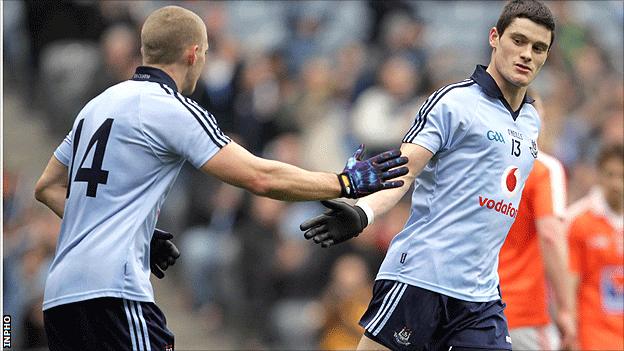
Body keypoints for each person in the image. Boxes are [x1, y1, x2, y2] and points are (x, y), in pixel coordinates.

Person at [33, 6, 409, 351]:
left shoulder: (96, 108)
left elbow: (48, 187)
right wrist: (345, 183)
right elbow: (260, 177)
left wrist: (139, 234)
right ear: (194, 53)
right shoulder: (170, 108)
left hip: (61, 294)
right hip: (112, 292)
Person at [301, 0, 555, 349]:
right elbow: (403, 172)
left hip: (479, 295)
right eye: (519, 40)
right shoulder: (454, 102)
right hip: (421, 277)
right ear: (495, 37)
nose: (527, 53)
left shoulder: (531, 121)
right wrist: (364, 212)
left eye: (538, 48)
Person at [497, 94, 576, 350]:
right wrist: (566, 309)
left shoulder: (484, 164)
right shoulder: (543, 168)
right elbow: (551, 236)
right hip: (524, 314)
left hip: (473, 308)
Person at [566, 143, 623, 351]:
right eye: (610, 175)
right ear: (599, 175)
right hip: (593, 337)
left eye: (622, 176)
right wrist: (570, 331)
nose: (616, 183)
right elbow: (569, 282)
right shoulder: (579, 220)